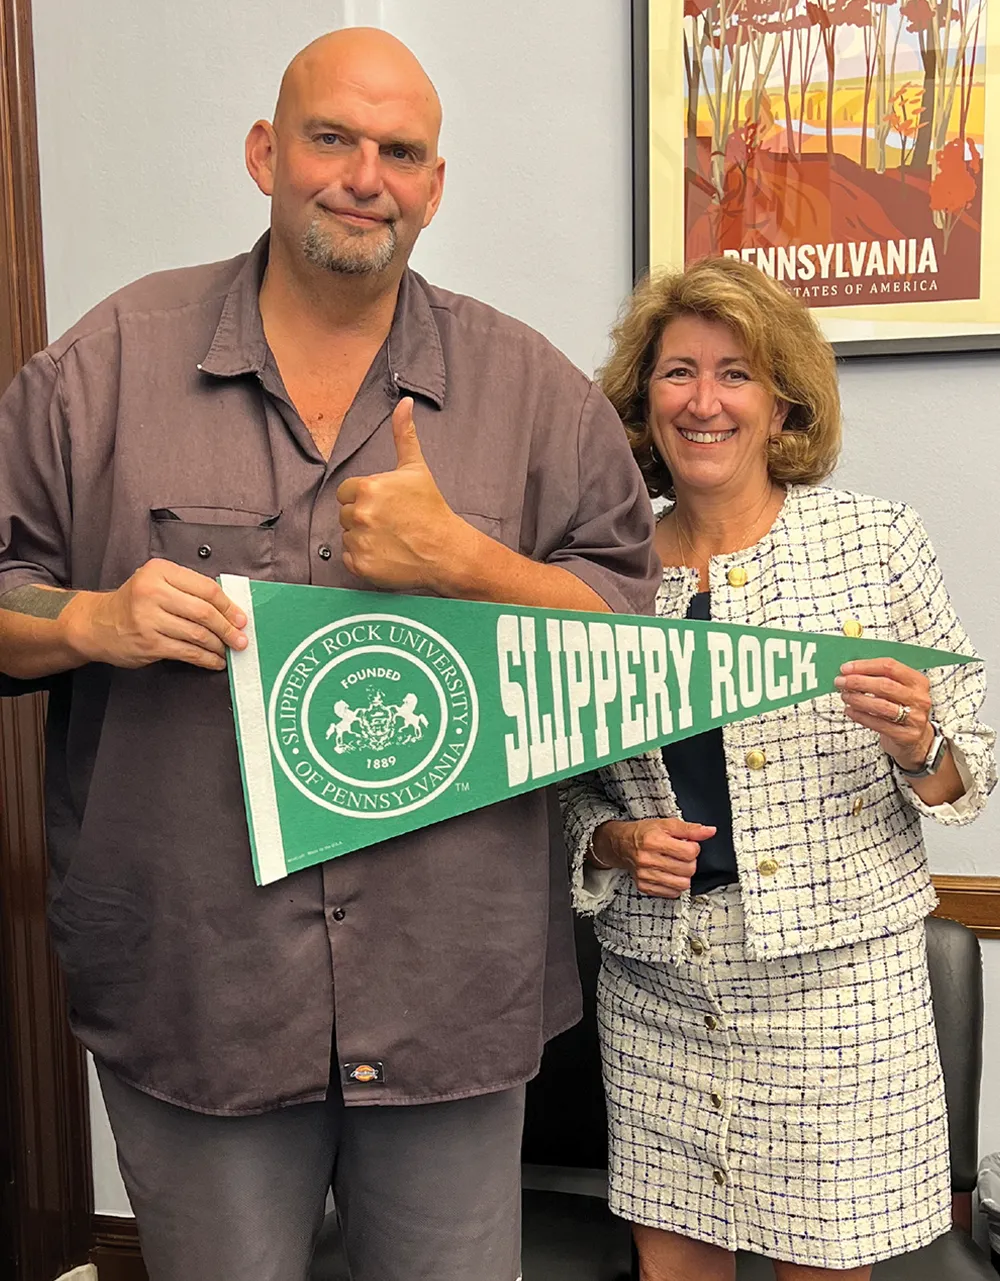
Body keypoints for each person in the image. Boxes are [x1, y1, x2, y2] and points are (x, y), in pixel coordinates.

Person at [0, 29, 659, 1281]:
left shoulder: (536, 395)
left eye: (400, 151)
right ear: (264, 153)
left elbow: (633, 657)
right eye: (331, 138)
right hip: (198, 993)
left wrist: (469, 564)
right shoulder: (102, 371)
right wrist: (90, 622)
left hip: (450, 992)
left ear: (435, 185)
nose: (365, 174)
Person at [561, 255, 996, 1281]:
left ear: (782, 402)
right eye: (677, 373)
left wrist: (916, 743)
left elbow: (971, 771)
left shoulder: (874, 542)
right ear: (643, 399)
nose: (703, 401)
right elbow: (554, 779)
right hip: (662, 992)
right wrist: (613, 839)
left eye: (735, 374)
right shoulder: (601, 575)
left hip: (835, 999)